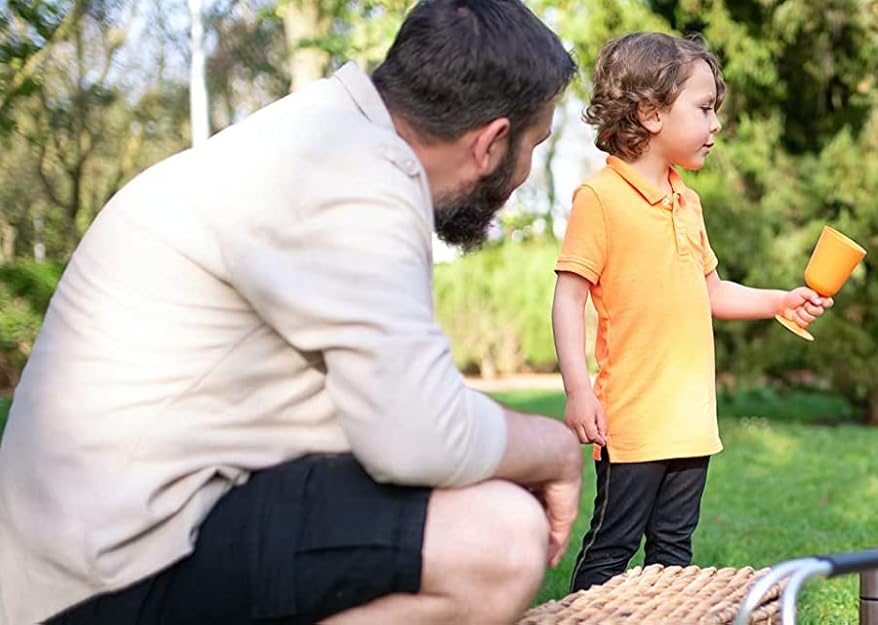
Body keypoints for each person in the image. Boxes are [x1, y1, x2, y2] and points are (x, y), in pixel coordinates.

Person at [0, 1, 584, 623]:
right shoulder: (354, 174)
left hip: (109, 543)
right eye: (534, 145)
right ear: (491, 141)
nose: (525, 174)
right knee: (496, 539)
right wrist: (555, 448)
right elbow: (417, 437)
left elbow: (401, 404)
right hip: (104, 577)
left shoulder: (323, 139)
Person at [552, 32, 831, 592]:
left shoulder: (688, 202)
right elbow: (568, 299)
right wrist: (579, 390)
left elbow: (712, 292)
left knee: (674, 553)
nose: (716, 124)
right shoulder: (600, 199)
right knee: (612, 548)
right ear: (651, 113)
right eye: (704, 109)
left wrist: (780, 301)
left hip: (691, 422)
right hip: (632, 422)